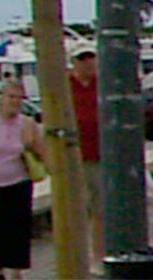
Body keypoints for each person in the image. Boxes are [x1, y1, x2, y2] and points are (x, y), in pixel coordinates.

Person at [0, 78, 47, 280]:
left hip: (18, 182)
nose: (15, 101)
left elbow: (42, 152)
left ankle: (15, 272)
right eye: (11, 97)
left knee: (16, 230)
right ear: (2, 98)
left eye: (19, 98)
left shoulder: (27, 123)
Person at [68, 44, 102, 264]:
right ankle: (77, 257)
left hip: (100, 156)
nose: (88, 62)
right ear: (75, 62)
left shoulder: (103, 84)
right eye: (83, 58)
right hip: (75, 157)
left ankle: (98, 254)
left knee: (101, 209)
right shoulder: (65, 86)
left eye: (91, 57)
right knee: (77, 209)